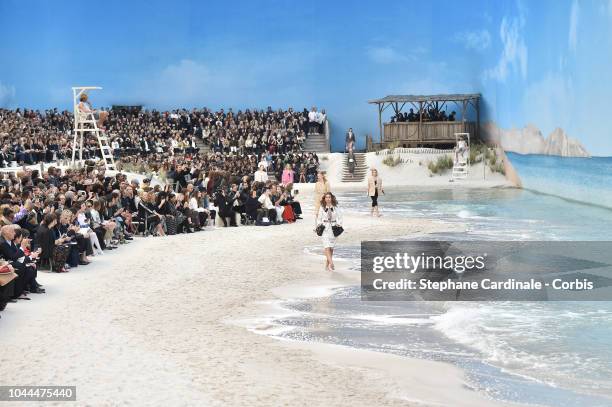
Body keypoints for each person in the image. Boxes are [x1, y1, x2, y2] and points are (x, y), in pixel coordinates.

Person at [316, 192, 342, 271]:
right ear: (324, 199)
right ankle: (331, 263)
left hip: (334, 228)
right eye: (326, 197)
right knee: (326, 246)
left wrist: (339, 224)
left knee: (331, 248)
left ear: (331, 198)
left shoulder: (336, 207)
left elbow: (340, 217)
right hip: (325, 228)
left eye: (329, 197)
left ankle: (327, 266)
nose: (328, 198)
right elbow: (319, 218)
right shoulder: (322, 207)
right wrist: (319, 225)